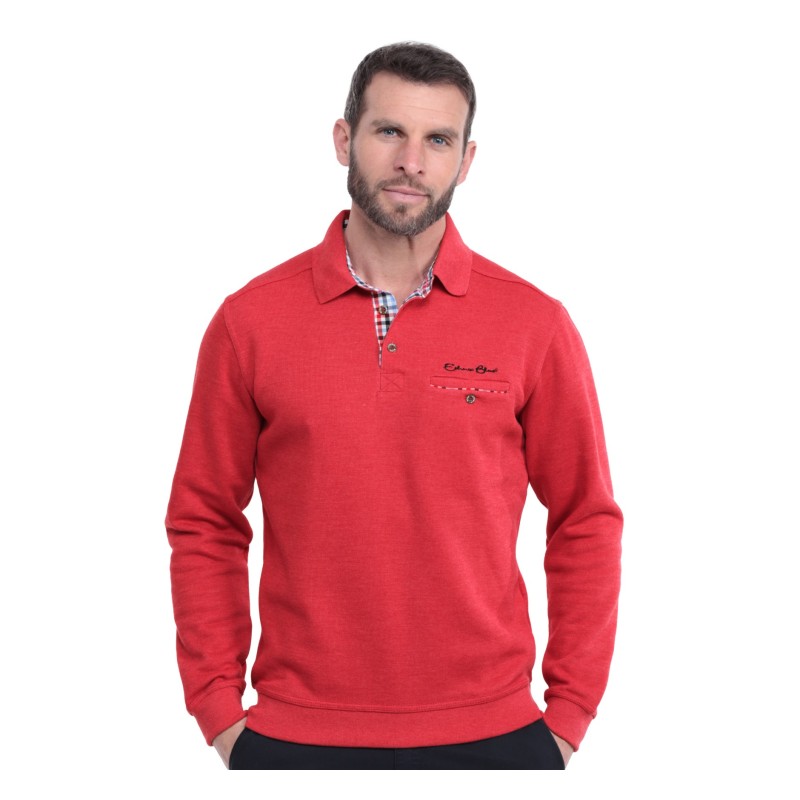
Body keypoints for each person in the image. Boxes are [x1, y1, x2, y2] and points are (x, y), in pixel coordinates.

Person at [166, 41, 623, 771]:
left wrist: (568, 713)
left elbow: (586, 520)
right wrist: (218, 708)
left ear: (465, 161)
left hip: (496, 734)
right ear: (343, 139)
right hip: (295, 736)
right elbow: (204, 519)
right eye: (389, 132)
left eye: (438, 140)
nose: (412, 161)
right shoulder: (250, 322)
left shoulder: (533, 324)